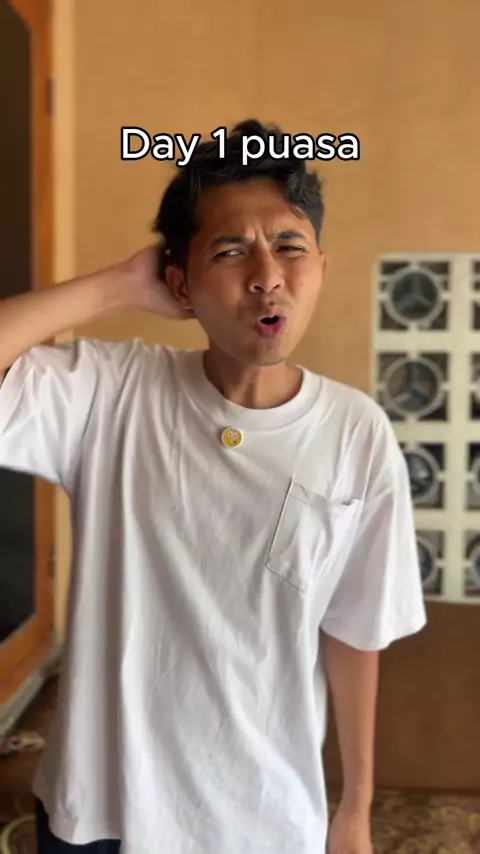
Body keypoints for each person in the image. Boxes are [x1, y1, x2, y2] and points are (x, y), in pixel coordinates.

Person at [0, 119, 426, 854]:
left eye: (289, 245)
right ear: (181, 285)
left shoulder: (357, 434)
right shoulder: (111, 393)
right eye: (230, 251)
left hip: (261, 821)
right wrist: (120, 284)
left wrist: (354, 807)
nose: (267, 275)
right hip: (97, 819)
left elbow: (354, 630)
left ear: (321, 266)